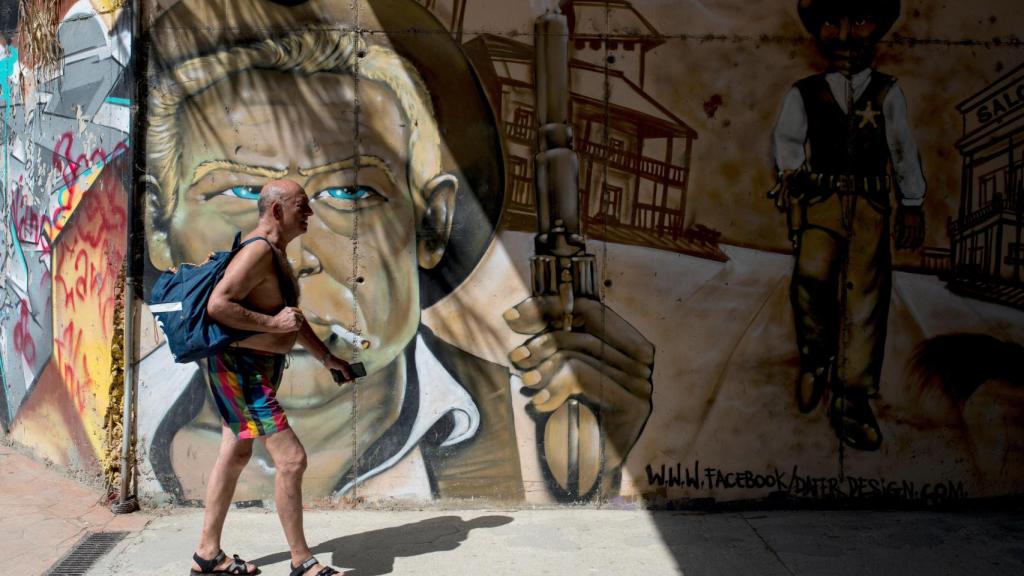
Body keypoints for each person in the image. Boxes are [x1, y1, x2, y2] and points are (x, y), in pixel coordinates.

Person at [140, 0, 652, 510]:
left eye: (351, 193)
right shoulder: (134, 412)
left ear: (432, 225)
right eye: (239, 193)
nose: (298, 259)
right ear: (158, 225)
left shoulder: (525, 419)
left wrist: (600, 462)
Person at [770, 0, 925, 450]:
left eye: (859, 20)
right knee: (810, 277)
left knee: (865, 298)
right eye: (832, 22)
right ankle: (817, 357)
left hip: (872, 204)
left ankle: (852, 396)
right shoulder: (804, 91)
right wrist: (792, 176)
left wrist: (912, 203)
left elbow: (902, 149)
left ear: (878, 26)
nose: (846, 35)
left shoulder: (888, 92)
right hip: (821, 199)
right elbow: (788, 141)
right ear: (818, 28)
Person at [190, 180, 354, 576]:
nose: (309, 213)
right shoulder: (258, 252)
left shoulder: (275, 253)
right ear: (278, 210)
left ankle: (207, 555)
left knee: (236, 452)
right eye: (302, 206)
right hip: (242, 371)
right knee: (292, 459)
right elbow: (218, 305)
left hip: (255, 369)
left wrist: (327, 357)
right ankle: (302, 561)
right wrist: (272, 322)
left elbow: (289, 318)